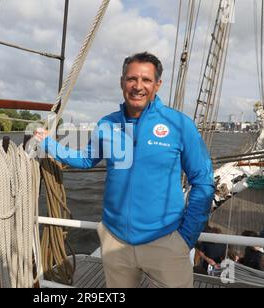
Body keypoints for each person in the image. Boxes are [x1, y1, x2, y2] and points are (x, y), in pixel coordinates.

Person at [34, 52, 215, 288]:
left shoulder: (179, 124)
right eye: (131, 79)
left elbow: (202, 181)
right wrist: (48, 143)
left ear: (157, 85)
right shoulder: (107, 124)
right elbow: (87, 159)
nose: (138, 86)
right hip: (115, 241)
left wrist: (186, 238)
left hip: (166, 241)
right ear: (122, 82)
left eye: (146, 80)